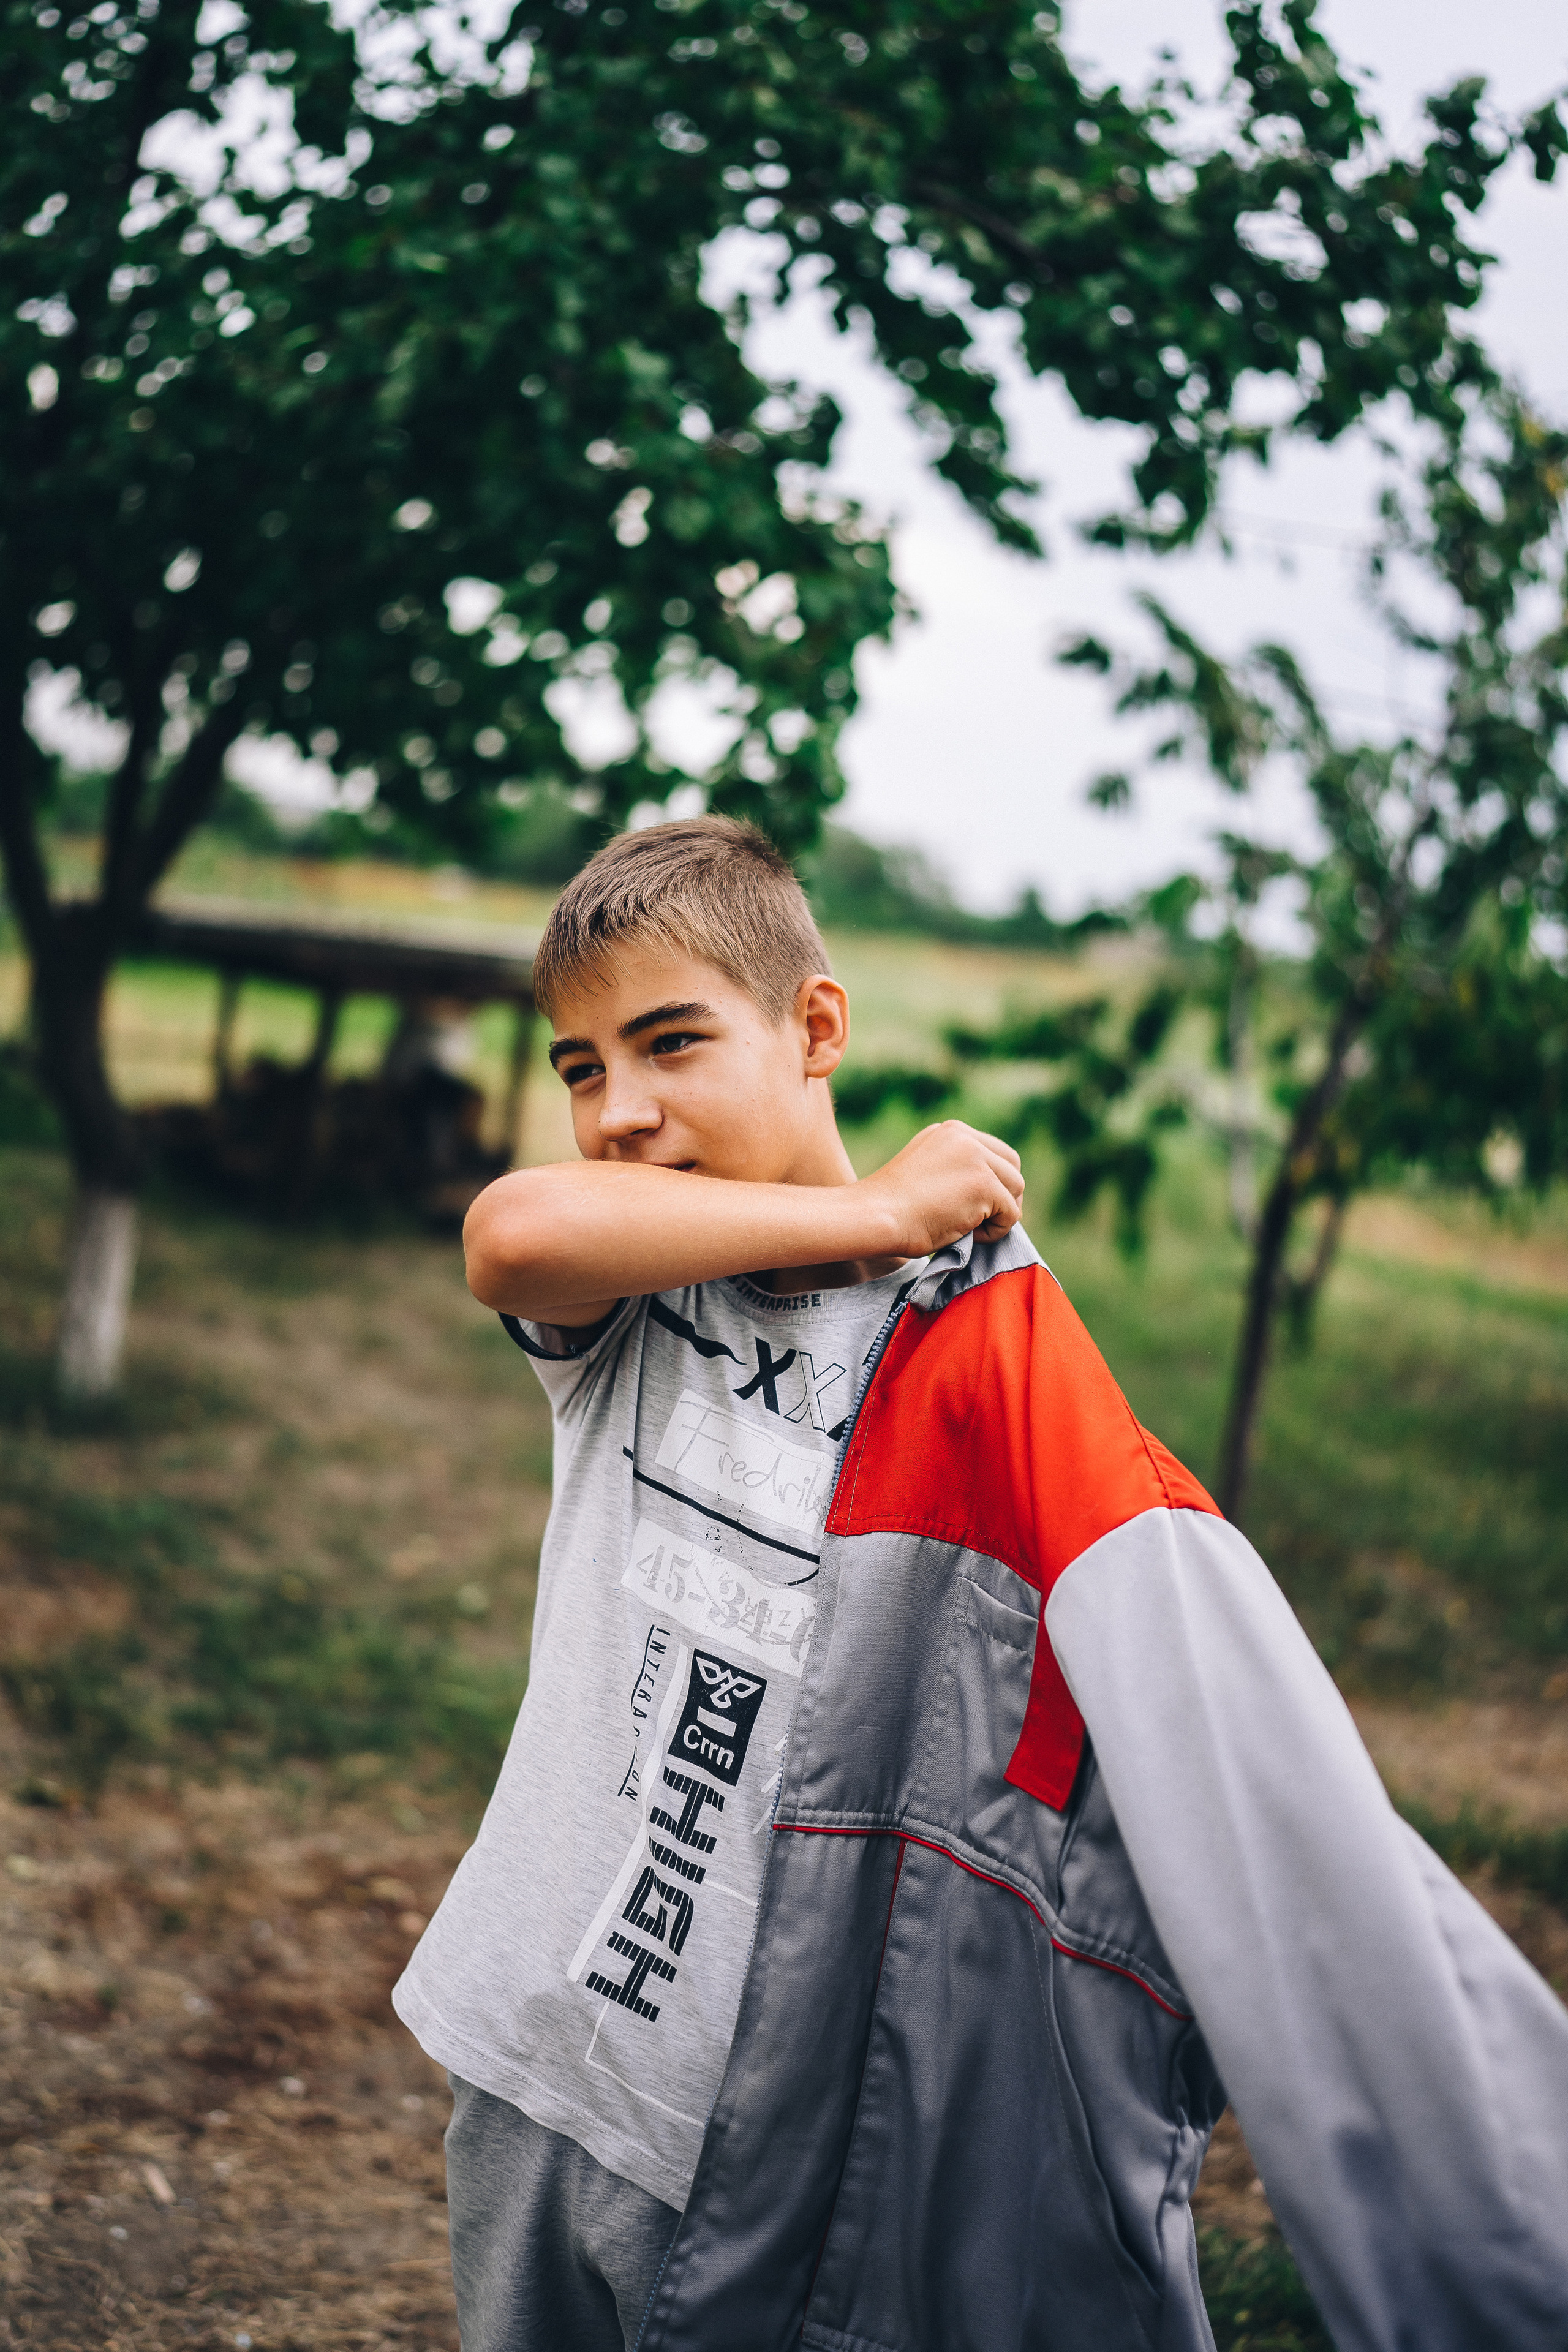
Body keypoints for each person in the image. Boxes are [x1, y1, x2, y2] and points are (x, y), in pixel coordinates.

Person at [394, 816, 1568, 2352]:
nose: (618, 1110)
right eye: (580, 1066)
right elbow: (508, 1231)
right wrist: (877, 1207)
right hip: (529, 2044)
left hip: (743, 2109)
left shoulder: (966, 1351)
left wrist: (902, 1251)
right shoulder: (631, 1299)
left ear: (815, 1027)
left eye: (669, 1044)